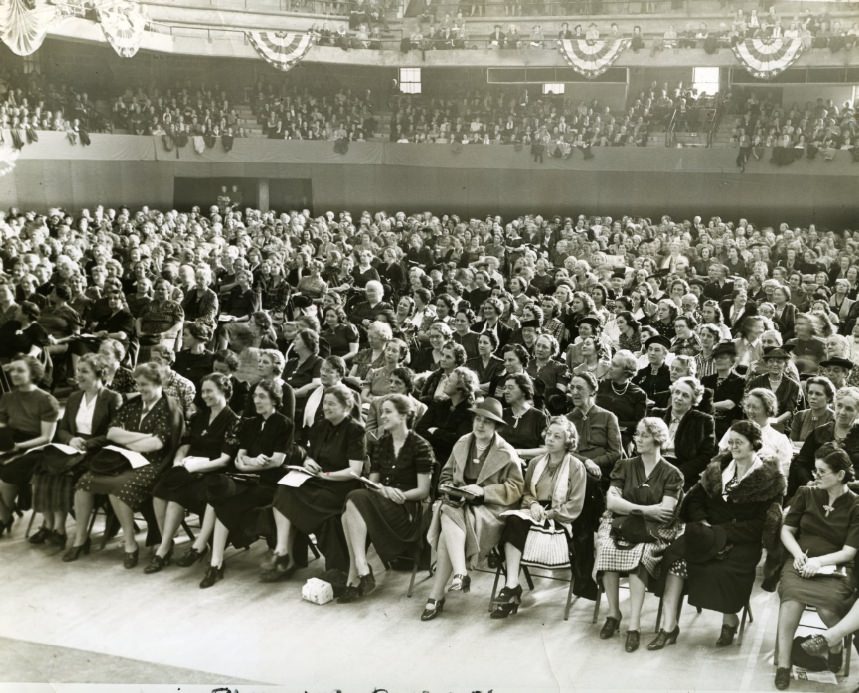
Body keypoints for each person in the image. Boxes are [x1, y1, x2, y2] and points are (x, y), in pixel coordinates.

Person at [651, 421, 785, 651]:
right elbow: (694, 500)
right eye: (730, 441)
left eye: (739, 442)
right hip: (706, 533)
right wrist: (703, 522)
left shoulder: (771, 479)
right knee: (673, 559)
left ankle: (729, 619)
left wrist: (723, 532)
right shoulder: (717, 467)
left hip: (741, 539)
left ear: (755, 444)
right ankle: (669, 627)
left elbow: (764, 522)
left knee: (725, 570)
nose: (733, 447)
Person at [71, 362, 183, 567]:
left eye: (144, 385)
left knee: (119, 488)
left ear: (159, 383)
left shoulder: (169, 408)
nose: (139, 389)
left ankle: (130, 544)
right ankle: (80, 538)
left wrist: (129, 439)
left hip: (153, 463)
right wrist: (141, 437)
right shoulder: (132, 404)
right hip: (122, 458)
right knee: (83, 483)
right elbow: (112, 433)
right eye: (138, 384)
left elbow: (156, 444)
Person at [422, 397, 524, 621]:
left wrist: (483, 492)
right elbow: (446, 475)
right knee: (449, 510)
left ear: (496, 426)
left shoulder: (506, 452)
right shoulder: (462, 443)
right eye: (478, 419)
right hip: (459, 503)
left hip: (490, 510)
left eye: (487, 422)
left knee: (446, 520)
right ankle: (459, 574)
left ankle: (438, 593)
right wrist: (450, 487)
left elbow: (516, 489)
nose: (480, 425)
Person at [774, 444, 859, 689]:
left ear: (840, 475)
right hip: (800, 559)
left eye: (822, 472)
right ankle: (783, 664)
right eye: (815, 470)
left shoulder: (856, 505)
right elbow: (787, 530)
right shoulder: (806, 493)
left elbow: (849, 551)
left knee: (829, 607)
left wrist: (819, 562)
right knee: (791, 599)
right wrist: (799, 554)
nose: (816, 476)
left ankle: (833, 647)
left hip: (836, 567)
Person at [595, 418, 684, 652]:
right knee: (606, 549)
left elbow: (665, 513)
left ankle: (633, 626)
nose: (638, 439)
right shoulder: (624, 466)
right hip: (624, 526)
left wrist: (630, 507)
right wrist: (646, 510)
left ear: (658, 439)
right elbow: (612, 502)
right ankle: (614, 614)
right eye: (637, 434)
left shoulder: (672, 474)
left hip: (653, 534)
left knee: (640, 556)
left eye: (644, 435)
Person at [338, 394, 435, 602]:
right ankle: (358, 573)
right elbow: (372, 481)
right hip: (382, 501)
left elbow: (423, 491)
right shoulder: (381, 443)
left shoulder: (420, 446)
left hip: (406, 511)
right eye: (382, 412)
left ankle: (358, 574)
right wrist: (383, 490)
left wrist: (397, 494)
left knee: (353, 500)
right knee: (351, 506)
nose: (382, 416)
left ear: (403, 416)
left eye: (388, 411)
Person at [264, 384, 365, 581]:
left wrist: (326, 475)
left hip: (341, 486)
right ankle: (282, 550)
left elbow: (355, 471)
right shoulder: (320, 426)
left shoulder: (355, 430)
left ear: (346, 406)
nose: (326, 407)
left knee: (323, 515)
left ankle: (295, 558)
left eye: (331, 404)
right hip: (319, 481)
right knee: (284, 488)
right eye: (325, 403)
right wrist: (308, 462)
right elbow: (310, 457)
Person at [491, 417, 588, 619]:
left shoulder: (576, 467)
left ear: (568, 441)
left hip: (561, 517)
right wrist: (533, 504)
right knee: (512, 521)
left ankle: (511, 592)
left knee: (516, 526)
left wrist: (550, 513)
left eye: (557, 436)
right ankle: (511, 585)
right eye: (549, 434)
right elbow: (526, 492)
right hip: (534, 511)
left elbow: (575, 504)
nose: (550, 439)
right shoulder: (535, 463)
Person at [200, 380, 291, 588]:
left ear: (274, 399)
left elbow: (277, 461)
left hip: (270, 484)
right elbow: (239, 460)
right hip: (247, 479)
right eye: (255, 396)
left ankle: (215, 562)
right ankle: (216, 563)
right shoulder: (249, 423)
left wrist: (250, 463)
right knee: (220, 497)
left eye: (262, 397)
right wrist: (253, 463)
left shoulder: (284, 423)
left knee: (222, 502)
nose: (257, 401)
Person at [146, 373, 240, 573]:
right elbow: (185, 443)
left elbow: (224, 459)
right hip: (189, 467)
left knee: (177, 496)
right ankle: (166, 542)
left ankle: (164, 549)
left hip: (213, 472)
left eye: (209, 391)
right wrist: (179, 462)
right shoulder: (198, 417)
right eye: (203, 391)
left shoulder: (233, 421)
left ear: (223, 391)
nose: (205, 396)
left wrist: (194, 468)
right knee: (160, 489)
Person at [28, 355, 121, 551]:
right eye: (78, 371)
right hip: (71, 447)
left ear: (100, 374)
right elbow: (62, 429)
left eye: (84, 371)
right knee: (42, 470)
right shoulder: (74, 397)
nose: (78, 375)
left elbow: (114, 433)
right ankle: (49, 524)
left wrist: (88, 443)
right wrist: (71, 440)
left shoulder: (112, 398)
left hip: (97, 451)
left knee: (65, 475)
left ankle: (60, 530)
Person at [0, 356, 60, 534]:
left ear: (33, 374)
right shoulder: (8, 398)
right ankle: (5, 515)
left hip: (36, 448)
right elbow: (2, 427)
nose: (15, 374)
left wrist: (17, 447)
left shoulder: (46, 400)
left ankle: (3, 519)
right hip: (12, 441)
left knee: (8, 472)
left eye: (21, 370)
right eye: (13, 370)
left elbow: (46, 437)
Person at [791, 386, 859, 498]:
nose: (842, 412)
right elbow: (801, 464)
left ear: (857, 412)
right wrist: (809, 482)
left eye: (849, 409)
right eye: (839, 406)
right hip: (818, 491)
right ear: (834, 406)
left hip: (853, 495)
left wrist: (848, 485)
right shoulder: (819, 433)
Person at [656, 376, 717, 489]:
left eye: (685, 395)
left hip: (683, 470)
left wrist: (678, 473)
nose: (678, 398)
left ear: (693, 401)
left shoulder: (703, 421)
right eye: (677, 392)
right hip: (654, 465)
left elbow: (706, 455)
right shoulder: (655, 414)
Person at [719, 388, 792, 477]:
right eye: (748, 406)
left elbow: (783, 474)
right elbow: (720, 460)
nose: (750, 411)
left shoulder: (780, 439)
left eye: (755, 407)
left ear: (768, 409)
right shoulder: (734, 431)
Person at [415, 366, 479, 465]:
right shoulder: (438, 404)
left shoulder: (470, 412)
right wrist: (445, 437)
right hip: (427, 456)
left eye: (449, 381)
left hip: (451, 461)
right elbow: (419, 429)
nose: (445, 382)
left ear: (460, 388)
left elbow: (459, 441)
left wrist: (436, 431)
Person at [567, 373, 623, 483]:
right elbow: (564, 451)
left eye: (579, 388)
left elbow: (616, 453)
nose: (574, 392)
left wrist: (594, 462)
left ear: (592, 391)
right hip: (573, 469)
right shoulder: (567, 419)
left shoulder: (608, 417)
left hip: (603, 471)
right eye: (572, 387)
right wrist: (586, 461)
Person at [596, 349, 647, 452]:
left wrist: (616, 425)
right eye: (611, 363)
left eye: (615, 365)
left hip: (622, 437)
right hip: (596, 433)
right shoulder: (601, 385)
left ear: (626, 371)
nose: (610, 367)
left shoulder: (638, 393)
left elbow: (639, 424)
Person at [745, 345, 803, 434]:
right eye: (771, 361)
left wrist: (773, 421)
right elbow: (750, 406)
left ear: (785, 364)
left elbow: (790, 411)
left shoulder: (793, 385)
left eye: (779, 362)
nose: (774, 364)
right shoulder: (756, 382)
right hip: (757, 425)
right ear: (766, 363)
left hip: (781, 428)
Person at [499, 373, 549, 462]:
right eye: (505, 388)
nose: (506, 391)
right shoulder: (501, 414)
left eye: (510, 387)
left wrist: (517, 452)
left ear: (523, 390)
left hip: (528, 467)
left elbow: (545, 450)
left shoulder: (539, 417)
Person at [701, 341, 746, 439]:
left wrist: (708, 406)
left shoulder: (739, 381)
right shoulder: (706, 380)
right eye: (716, 358)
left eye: (723, 358)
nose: (718, 360)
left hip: (729, 425)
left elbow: (730, 404)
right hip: (708, 422)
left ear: (732, 361)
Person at [790, 375, 835, 444]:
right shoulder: (800, 416)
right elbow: (792, 443)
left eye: (818, 394)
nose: (813, 397)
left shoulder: (834, 419)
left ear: (828, 397)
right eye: (810, 393)